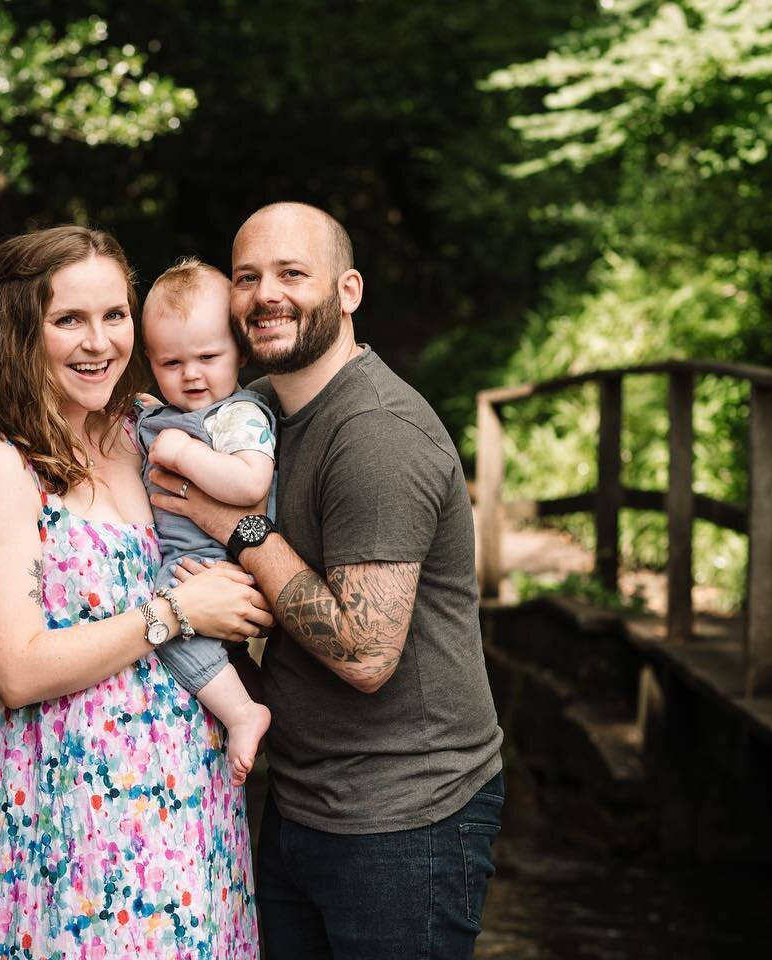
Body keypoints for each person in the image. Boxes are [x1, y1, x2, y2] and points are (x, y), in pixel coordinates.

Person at [152, 203, 506, 959]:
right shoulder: (259, 417)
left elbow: (365, 653)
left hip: (406, 818)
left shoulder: (376, 432)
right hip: (303, 803)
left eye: (291, 273)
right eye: (247, 278)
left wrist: (239, 532)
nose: (264, 294)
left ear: (348, 291)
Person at [0, 225, 271, 958]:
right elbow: (18, 670)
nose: (99, 343)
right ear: (21, 328)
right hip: (75, 816)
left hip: (188, 797)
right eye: (69, 320)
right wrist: (179, 613)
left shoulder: (136, 429)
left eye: (114, 316)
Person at [136, 257, 276, 786]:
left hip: (217, 560)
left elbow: (249, 484)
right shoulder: (165, 409)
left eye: (208, 357)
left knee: (163, 624)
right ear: (151, 360)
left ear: (240, 350)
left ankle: (244, 712)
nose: (191, 375)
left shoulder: (239, 415)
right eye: (171, 363)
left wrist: (182, 452)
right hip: (188, 557)